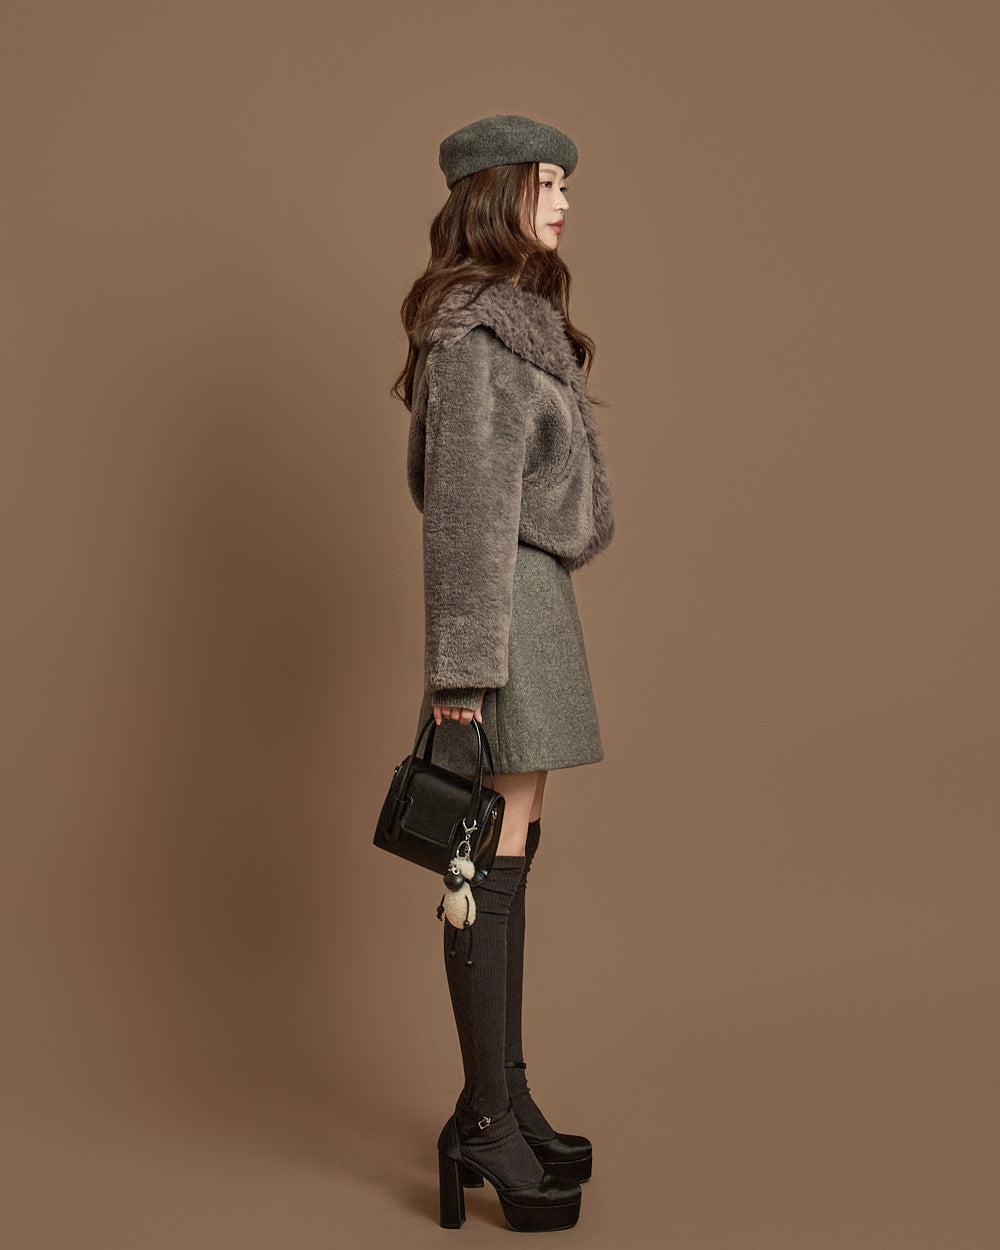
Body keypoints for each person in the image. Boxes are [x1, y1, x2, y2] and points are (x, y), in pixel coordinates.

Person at [392, 113, 616, 1233]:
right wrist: (461, 682)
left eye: (566, 184)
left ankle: (503, 1096)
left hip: (531, 601)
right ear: (495, 192)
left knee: (510, 848)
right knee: (483, 855)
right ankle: (485, 1120)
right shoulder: (478, 332)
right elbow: (466, 519)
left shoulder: (509, 317)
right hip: (503, 610)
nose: (564, 202)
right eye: (546, 182)